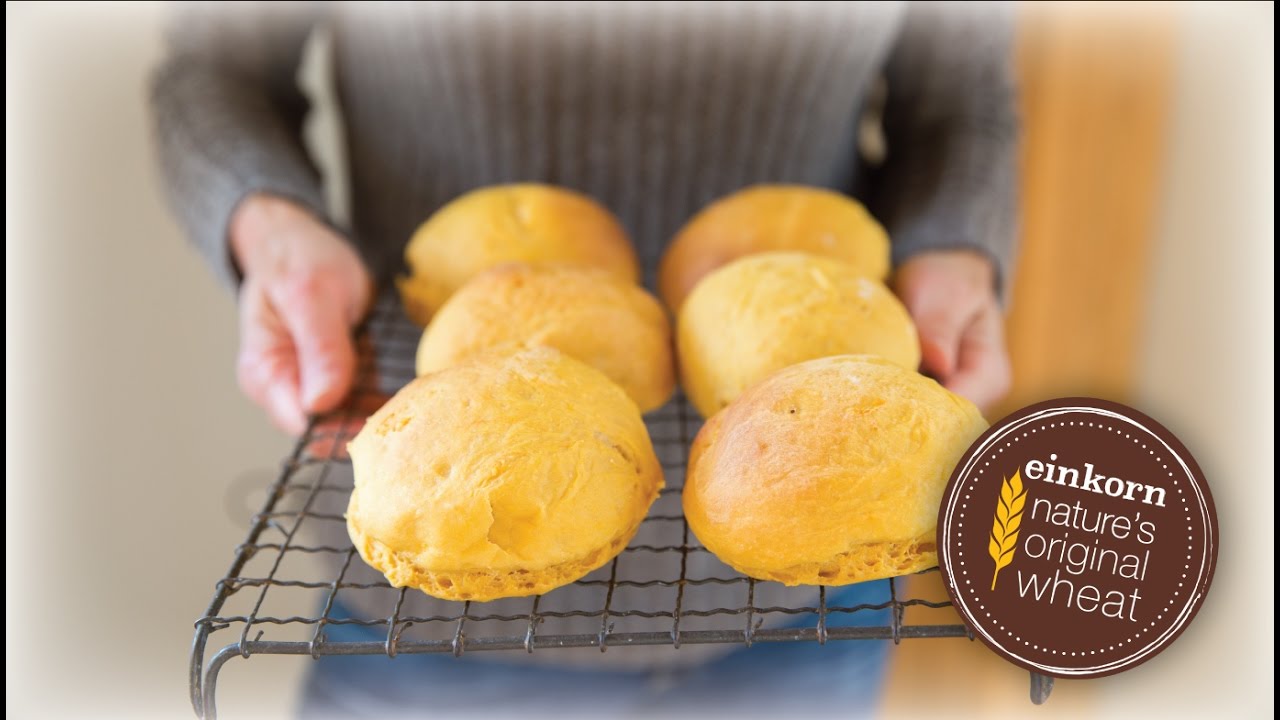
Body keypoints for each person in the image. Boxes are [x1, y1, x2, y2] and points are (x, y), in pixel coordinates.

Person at [153, 2, 1018, 717]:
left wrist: (955, 248)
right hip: (421, 629)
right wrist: (272, 231)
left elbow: (959, 100)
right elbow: (215, 67)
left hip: (806, 601)